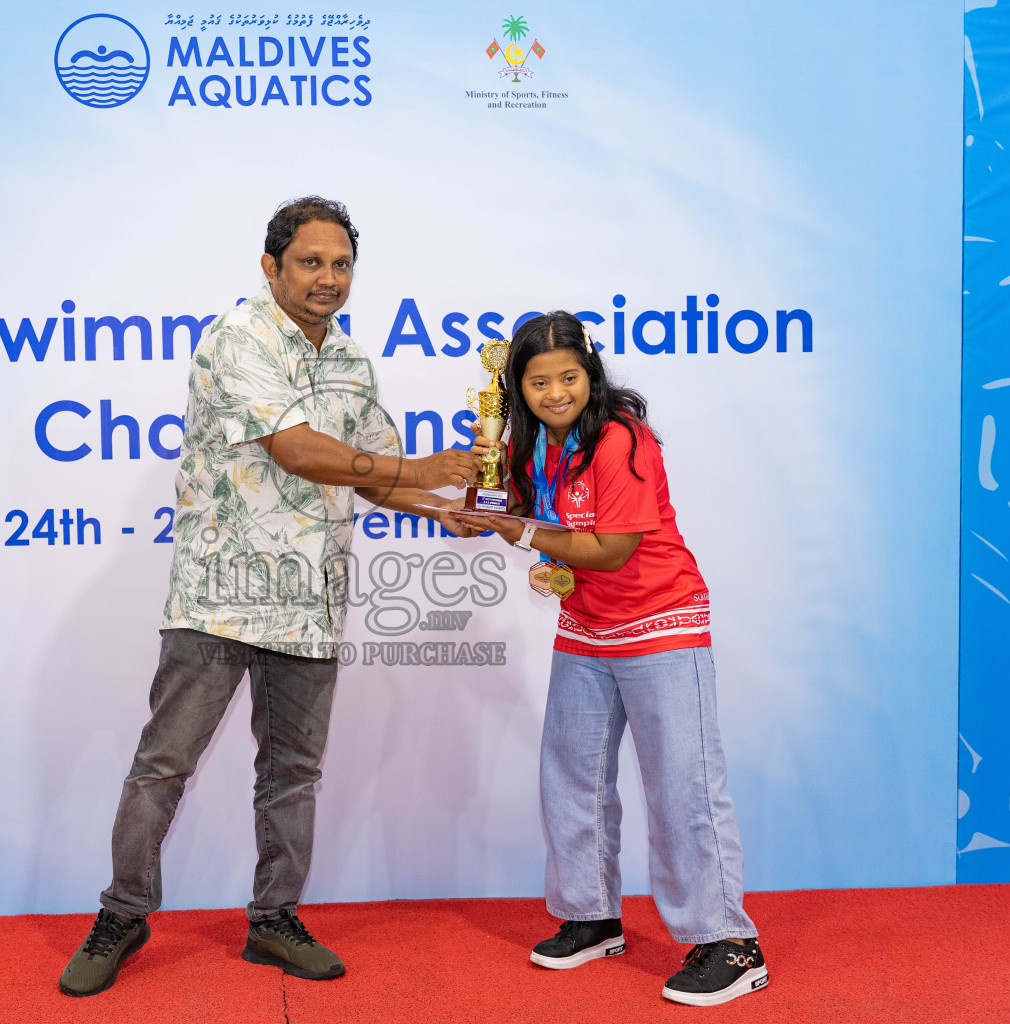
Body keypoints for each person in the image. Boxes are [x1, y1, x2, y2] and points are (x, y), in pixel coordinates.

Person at [59, 197, 487, 997]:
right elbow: (299, 451)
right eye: (310, 261)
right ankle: (121, 915)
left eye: (341, 264)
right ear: (271, 266)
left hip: (311, 601)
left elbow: (373, 473)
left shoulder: (352, 360)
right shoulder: (238, 337)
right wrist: (419, 470)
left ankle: (274, 920)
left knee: (292, 774)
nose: (328, 277)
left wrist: (441, 509)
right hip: (220, 596)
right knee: (164, 766)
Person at [468, 310, 769, 1007]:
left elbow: (611, 549)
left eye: (568, 377)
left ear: (591, 374)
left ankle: (730, 943)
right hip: (586, 624)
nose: (555, 393)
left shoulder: (619, 437)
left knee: (683, 787)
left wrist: (519, 531)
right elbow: (510, 512)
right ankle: (593, 916)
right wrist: (481, 493)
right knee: (571, 777)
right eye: (538, 382)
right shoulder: (531, 443)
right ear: (516, 388)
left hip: (661, 621)